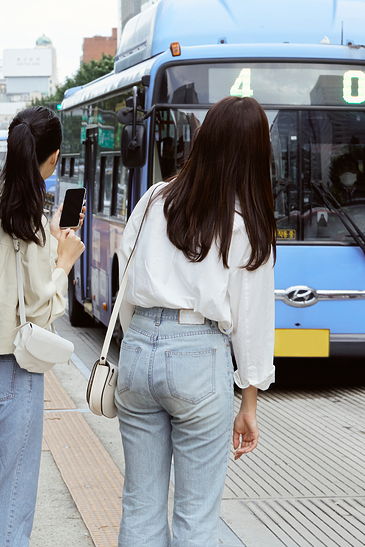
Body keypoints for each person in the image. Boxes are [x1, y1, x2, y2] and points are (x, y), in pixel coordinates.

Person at [115, 95, 277, 547]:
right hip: (198, 355)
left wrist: (144, 338)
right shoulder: (246, 225)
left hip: (139, 346)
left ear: (203, 140)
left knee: (140, 506)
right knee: (195, 517)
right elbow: (253, 321)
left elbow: (125, 278)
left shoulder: (153, 200)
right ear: (256, 154)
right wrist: (248, 403)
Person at [0, 106, 85, 547]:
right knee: (7, 507)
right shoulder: (30, 223)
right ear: (54, 158)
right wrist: (63, 261)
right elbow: (41, 311)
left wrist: (50, 243)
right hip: (12, 372)